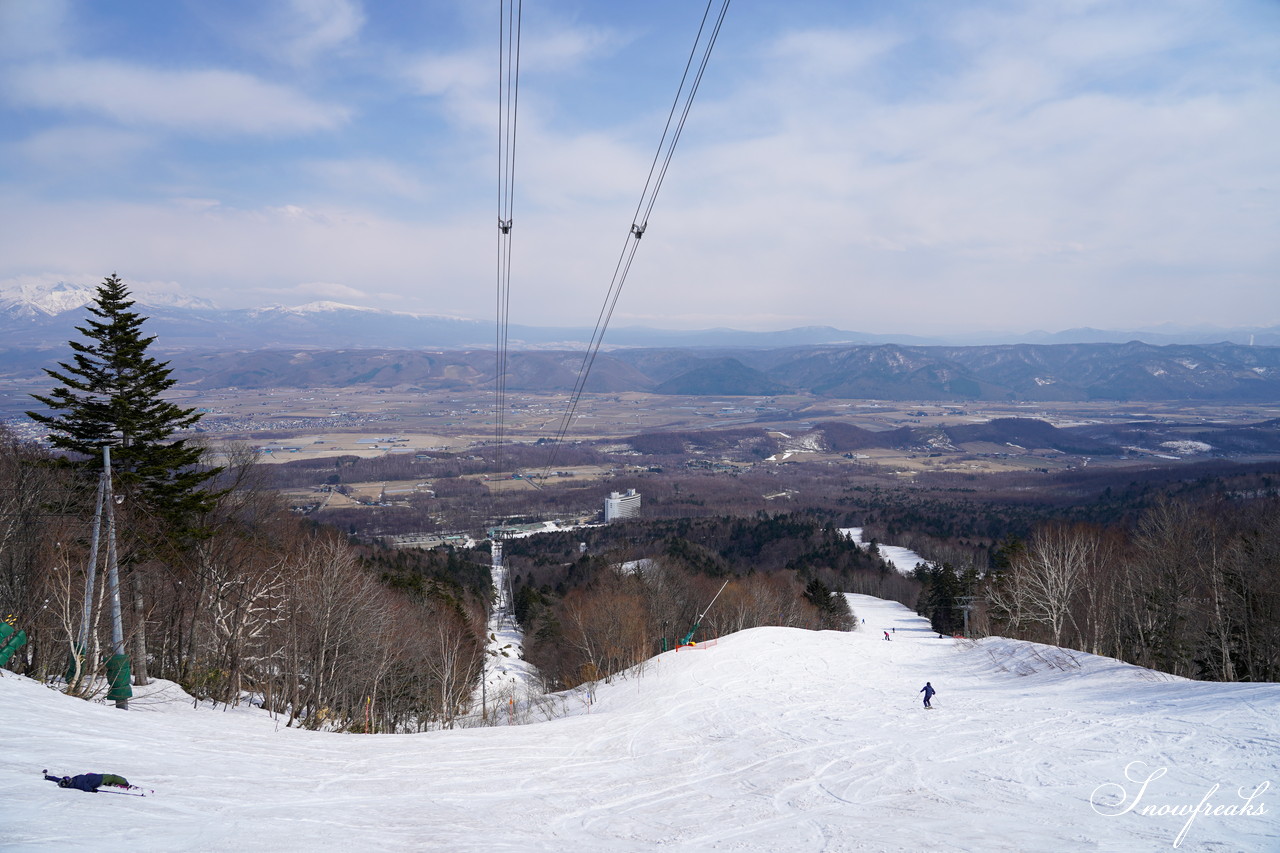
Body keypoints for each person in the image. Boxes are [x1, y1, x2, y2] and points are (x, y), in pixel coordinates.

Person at [44, 771, 130, 792]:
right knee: (113, 777)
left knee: (89, 773)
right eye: (67, 779)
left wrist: (48, 777)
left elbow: (57, 779)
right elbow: (85, 787)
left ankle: (110, 783)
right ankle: (125, 783)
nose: (68, 778)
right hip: (99, 779)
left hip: (94, 777)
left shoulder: (72, 781)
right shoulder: (77, 783)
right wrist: (92, 790)